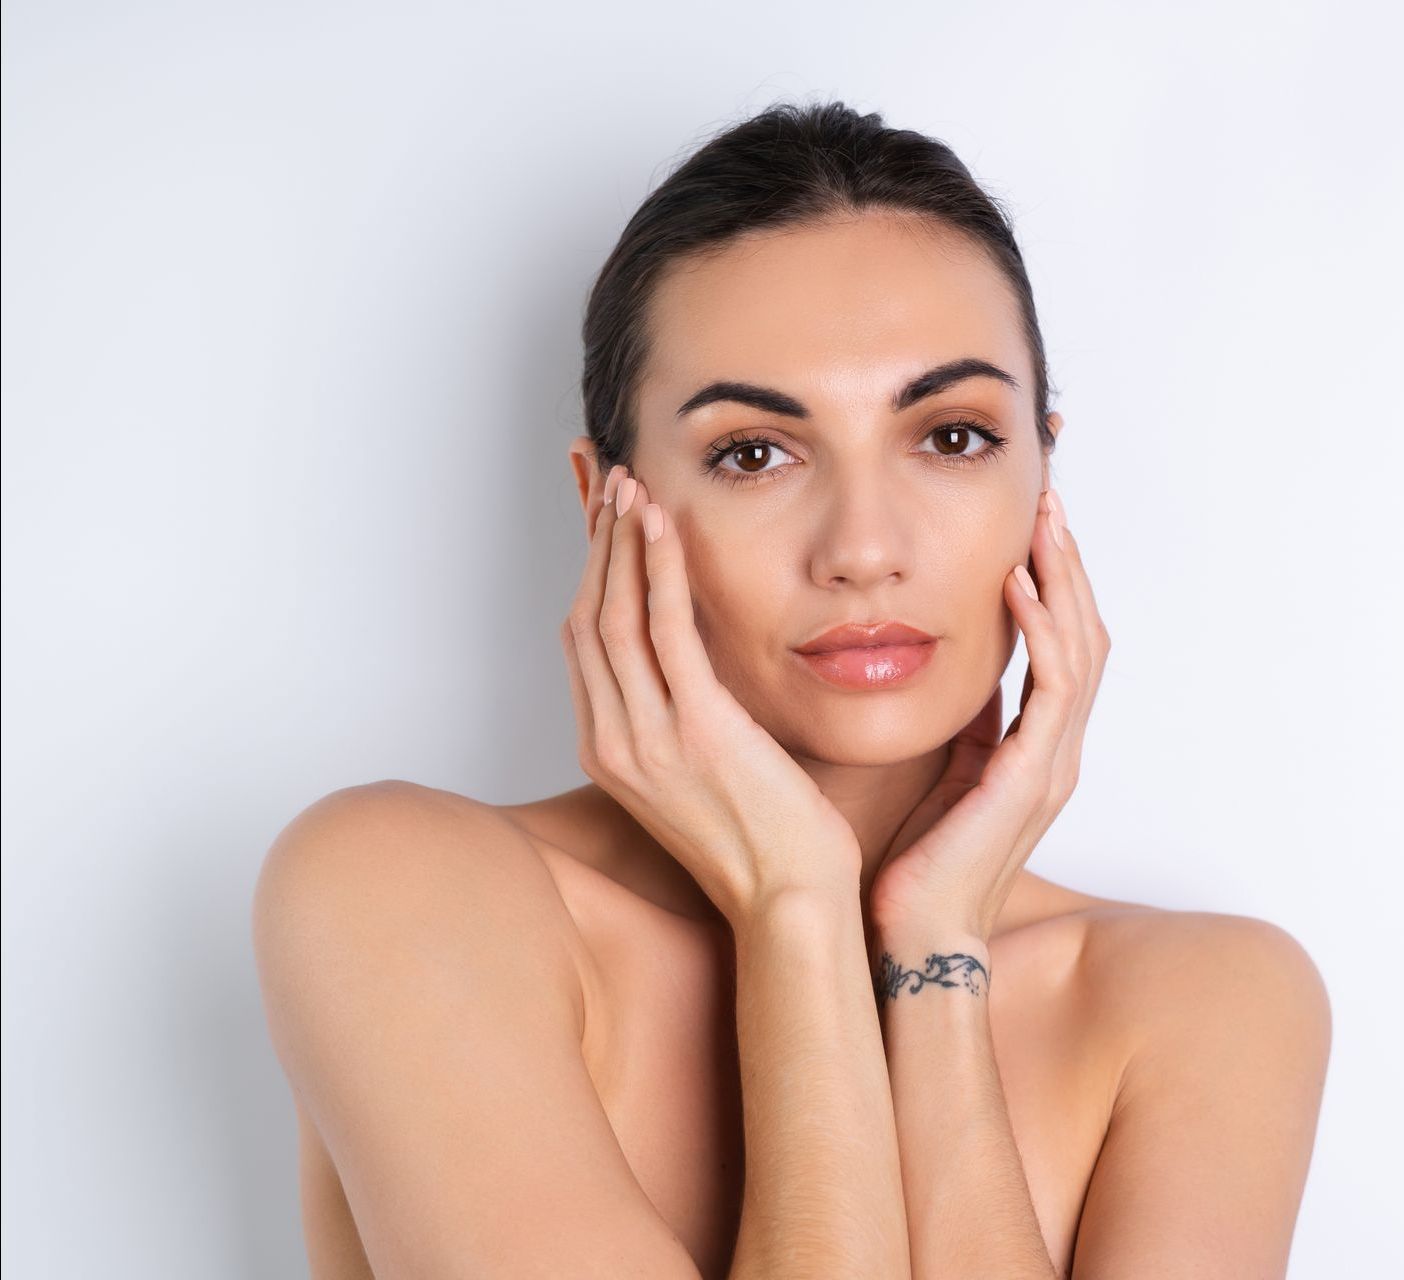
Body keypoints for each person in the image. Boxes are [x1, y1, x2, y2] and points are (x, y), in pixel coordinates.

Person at [252, 99, 1332, 1279]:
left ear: (1043, 475)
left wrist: (933, 953)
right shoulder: (403, 895)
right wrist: (794, 909)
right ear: (606, 503)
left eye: (954, 436)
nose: (864, 546)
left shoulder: (1207, 1006)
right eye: (754, 451)